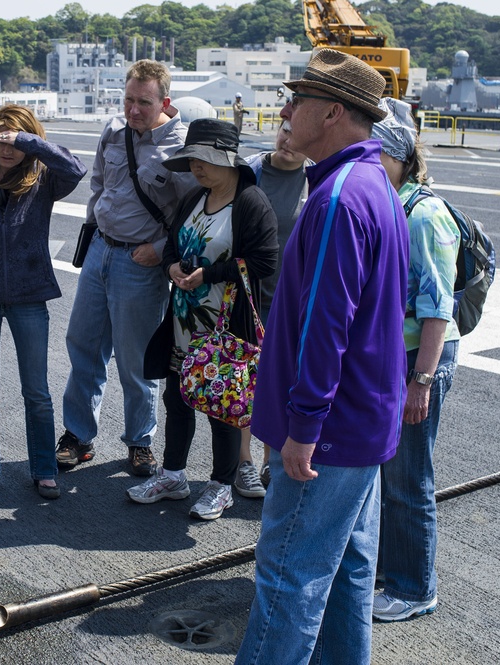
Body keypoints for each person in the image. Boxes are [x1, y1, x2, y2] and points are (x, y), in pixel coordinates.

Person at [235, 49, 409, 664]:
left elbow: (324, 326)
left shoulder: (337, 197)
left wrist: (303, 425)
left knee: (287, 580)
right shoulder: (377, 186)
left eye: (296, 101)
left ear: (332, 112)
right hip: (363, 422)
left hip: (326, 431)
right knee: (347, 573)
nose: (284, 111)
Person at [128, 118, 277, 520]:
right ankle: (173, 475)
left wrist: (209, 274)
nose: (196, 167)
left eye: (205, 160)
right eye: (192, 159)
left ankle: (221, 485)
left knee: (221, 406)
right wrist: (173, 267)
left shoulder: (250, 201)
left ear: (230, 161)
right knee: (176, 398)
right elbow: (175, 246)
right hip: (185, 322)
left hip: (225, 327)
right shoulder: (195, 197)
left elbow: (266, 261)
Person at [57, 59, 197, 477]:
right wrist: (94, 228)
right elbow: (99, 183)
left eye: (144, 102)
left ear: (165, 102)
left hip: (141, 262)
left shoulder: (179, 146)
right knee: (83, 345)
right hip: (102, 250)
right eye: (129, 100)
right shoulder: (114, 131)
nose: (134, 110)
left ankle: (140, 441)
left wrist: (159, 249)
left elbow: (190, 214)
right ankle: (78, 436)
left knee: (135, 361)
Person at [0, 105, 87, 501]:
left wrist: (29, 141)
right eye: (0, 138)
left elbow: (75, 169)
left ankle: (44, 470)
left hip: (29, 297)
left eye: (15, 140)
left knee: (37, 391)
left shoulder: (42, 180)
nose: (7, 148)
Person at [372, 97, 460, 622]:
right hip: (395, 354)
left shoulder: (423, 213)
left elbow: (437, 309)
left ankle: (414, 588)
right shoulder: (390, 201)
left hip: (419, 358)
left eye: (378, 152)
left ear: (402, 155)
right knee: (389, 472)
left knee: (409, 479)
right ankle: (391, 569)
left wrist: (421, 381)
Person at [235, 123, 309, 499]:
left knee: (280, 382)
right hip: (249, 294)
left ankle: (270, 462)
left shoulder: (314, 181)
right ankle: (244, 463)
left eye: (296, 134)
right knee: (247, 382)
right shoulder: (250, 172)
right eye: (284, 130)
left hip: (289, 298)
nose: (288, 139)